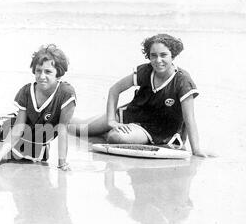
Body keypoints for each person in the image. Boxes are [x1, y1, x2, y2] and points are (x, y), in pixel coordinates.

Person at [70, 34, 208, 157]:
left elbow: (189, 119)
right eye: (153, 55)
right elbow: (114, 90)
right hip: (132, 114)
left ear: (173, 55)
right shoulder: (146, 71)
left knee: (116, 137)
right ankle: (59, 116)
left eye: (163, 55)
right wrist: (111, 121)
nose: (158, 60)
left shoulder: (183, 81)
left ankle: (109, 132)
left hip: (158, 129)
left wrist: (196, 150)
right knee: (82, 129)